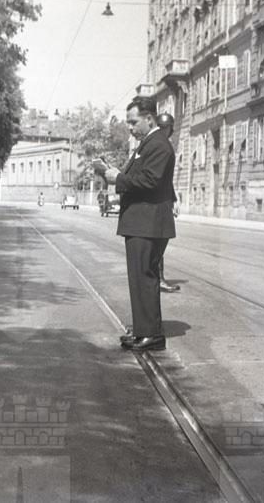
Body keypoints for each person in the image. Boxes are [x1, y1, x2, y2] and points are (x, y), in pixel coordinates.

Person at [103, 95, 175, 352]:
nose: (130, 127)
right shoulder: (148, 144)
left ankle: (152, 335)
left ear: (149, 119)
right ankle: (144, 330)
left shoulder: (158, 144)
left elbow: (150, 181)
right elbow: (140, 176)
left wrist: (118, 178)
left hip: (148, 223)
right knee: (139, 278)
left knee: (144, 277)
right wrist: (114, 173)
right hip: (141, 222)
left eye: (134, 122)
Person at [157, 112, 180, 293]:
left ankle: (158, 278)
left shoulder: (160, 144)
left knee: (159, 241)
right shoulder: (163, 147)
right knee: (160, 240)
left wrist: (173, 199)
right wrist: (171, 200)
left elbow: (165, 179)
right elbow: (162, 179)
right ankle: (159, 279)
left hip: (163, 200)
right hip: (159, 203)